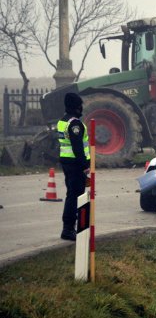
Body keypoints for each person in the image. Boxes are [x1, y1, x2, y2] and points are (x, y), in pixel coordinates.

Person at [57, 92, 90, 241]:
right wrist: (85, 166)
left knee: (72, 195)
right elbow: (77, 147)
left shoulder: (63, 121)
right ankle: (68, 229)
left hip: (67, 163)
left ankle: (70, 227)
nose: (82, 107)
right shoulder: (75, 124)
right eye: (80, 105)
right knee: (76, 197)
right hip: (76, 165)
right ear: (77, 107)